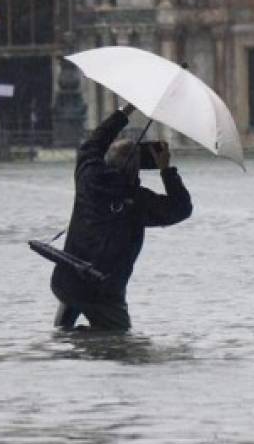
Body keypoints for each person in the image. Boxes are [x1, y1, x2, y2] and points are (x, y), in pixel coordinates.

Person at [51, 103, 193, 331]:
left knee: (64, 333)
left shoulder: (88, 176)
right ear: (136, 169)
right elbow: (181, 208)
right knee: (119, 342)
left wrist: (124, 111)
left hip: (67, 281)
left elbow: (94, 142)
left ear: (107, 158)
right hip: (104, 294)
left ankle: (72, 343)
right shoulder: (139, 202)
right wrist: (166, 169)